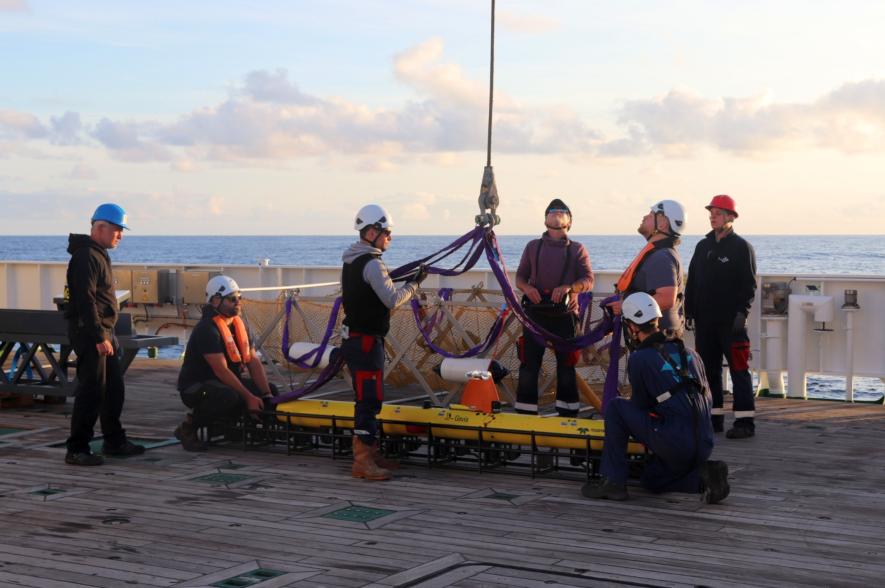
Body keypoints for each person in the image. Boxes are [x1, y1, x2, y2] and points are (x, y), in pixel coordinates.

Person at [581, 293, 730, 504]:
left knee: (616, 408)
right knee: (651, 480)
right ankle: (703, 479)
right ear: (657, 320)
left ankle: (612, 482)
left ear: (632, 327)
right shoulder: (691, 354)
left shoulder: (640, 358)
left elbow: (640, 406)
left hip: (675, 442)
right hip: (704, 442)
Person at [341, 204, 426, 480]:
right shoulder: (373, 264)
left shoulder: (352, 260)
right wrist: (415, 284)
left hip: (357, 340)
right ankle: (363, 461)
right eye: (387, 232)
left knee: (368, 397)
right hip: (366, 342)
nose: (390, 237)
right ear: (372, 232)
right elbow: (391, 299)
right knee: (369, 399)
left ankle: (370, 453)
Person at [63, 203, 145, 465]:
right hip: (91, 333)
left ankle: (114, 441)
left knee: (113, 389)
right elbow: (85, 299)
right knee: (92, 390)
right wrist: (99, 336)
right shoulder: (86, 256)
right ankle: (77, 448)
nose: (120, 236)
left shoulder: (98, 254)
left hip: (104, 332)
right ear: (99, 227)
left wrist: (107, 334)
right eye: (117, 230)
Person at [175, 275, 276, 451]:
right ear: (215, 301)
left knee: (270, 391)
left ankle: (237, 427)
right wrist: (249, 398)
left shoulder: (239, 324)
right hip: (196, 387)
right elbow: (221, 370)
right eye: (232, 299)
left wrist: (266, 394)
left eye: (239, 298)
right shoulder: (207, 329)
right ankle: (188, 427)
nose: (238, 302)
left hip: (222, 383)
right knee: (228, 396)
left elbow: (253, 361)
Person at [686, 195, 758, 439]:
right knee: (708, 371)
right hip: (705, 321)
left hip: (731, 322)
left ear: (730, 217)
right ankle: (713, 418)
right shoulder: (702, 247)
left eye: (717, 213)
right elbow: (692, 280)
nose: (712, 217)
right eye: (711, 213)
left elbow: (749, 285)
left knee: (739, 369)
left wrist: (742, 313)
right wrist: (689, 311)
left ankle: (745, 422)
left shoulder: (741, 247)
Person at [515, 198, 594, 417]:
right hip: (535, 315)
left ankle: (567, 415)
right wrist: (526, 288)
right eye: (551, 210)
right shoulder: (532, 247)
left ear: (569, 222)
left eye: (561, 210)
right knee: (529, 364)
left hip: (565, 317)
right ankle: (525, 414)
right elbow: (520, 277)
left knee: (566, 366)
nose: (556, 211)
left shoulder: (578, 249)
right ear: (545, 221)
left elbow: (589, 280)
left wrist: (570, 287)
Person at [610, 200, 687, 338]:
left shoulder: (662, 257)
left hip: (658, 339)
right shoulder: (659, 253)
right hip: (652, 337)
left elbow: (666, 298)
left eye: (651, 214)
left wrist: (626, 306)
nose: (645, 217)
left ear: (663, 223)